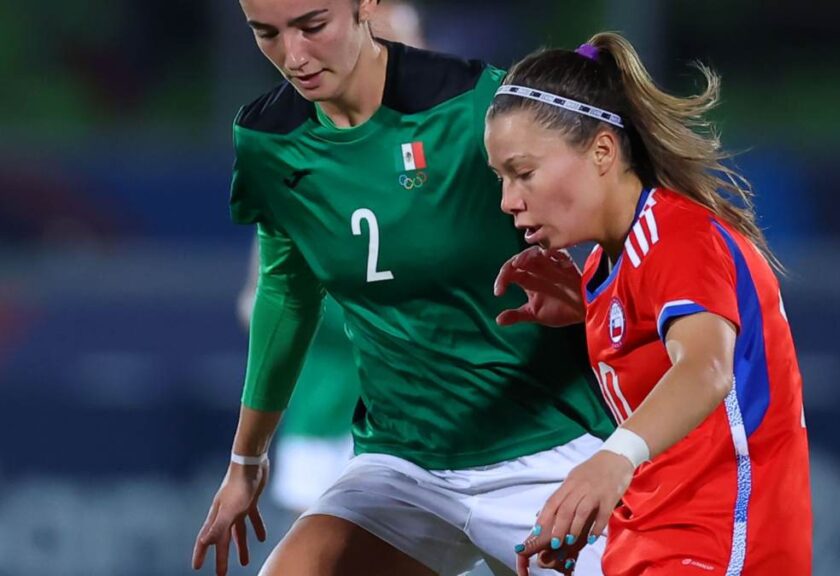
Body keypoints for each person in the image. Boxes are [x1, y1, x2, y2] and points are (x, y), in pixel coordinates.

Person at [190, 1, 615, 575]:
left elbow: (618, 219)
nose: (293, 56)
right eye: (266, 33)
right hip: (402, 467)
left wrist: (591, 294)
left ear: (366, 4)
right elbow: (287, 293)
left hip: (548, 450)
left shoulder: (474, 105)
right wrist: (246, 458)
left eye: (313, 26)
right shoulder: (270, 140)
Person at [485, 32, 812, 576]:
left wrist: (610, 462)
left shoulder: (679, 236)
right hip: (648, 545)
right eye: (501, 178)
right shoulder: (605, 266)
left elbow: (707, 369)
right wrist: (589, 311)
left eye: (523, 172)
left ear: (602, 151)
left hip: (722, 548)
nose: (508, 200)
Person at [234, 0, 426, 518]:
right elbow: (259, 302)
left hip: (429, 420)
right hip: (326, 416)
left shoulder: (447, 145)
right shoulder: (298, 162)